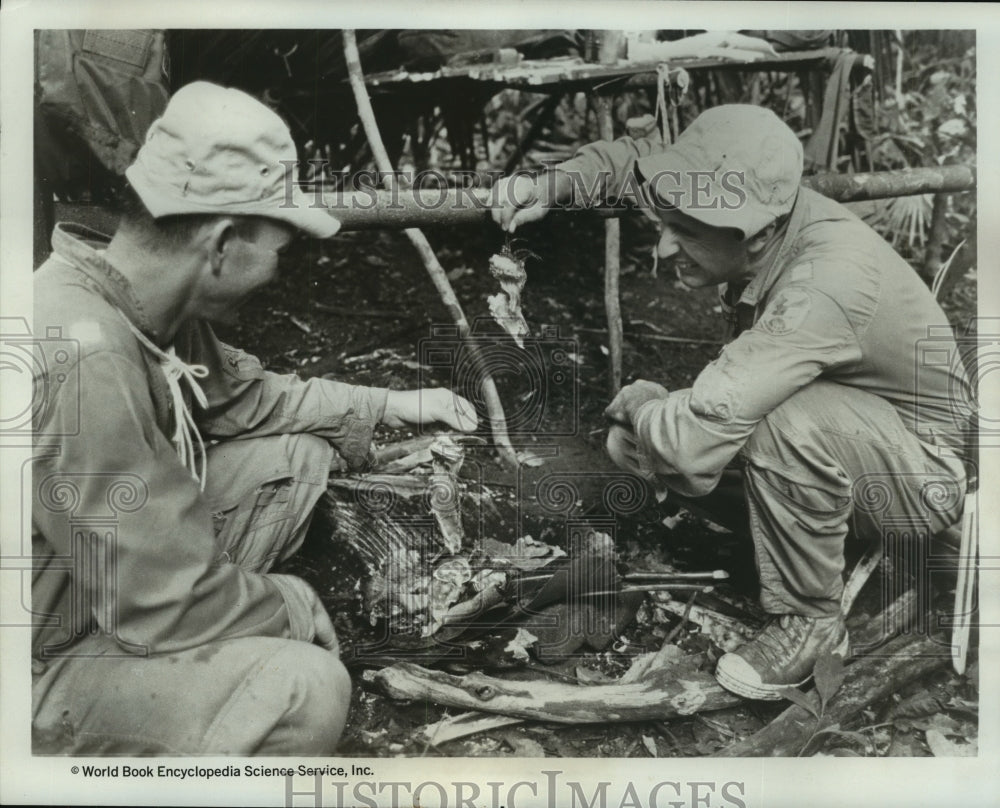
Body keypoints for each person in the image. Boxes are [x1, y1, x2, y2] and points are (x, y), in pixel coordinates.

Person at [31, 81, 477, 754]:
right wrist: (290, 603)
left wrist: (397, 406)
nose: (279, 269)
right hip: (36, 653)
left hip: (95, 579)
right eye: (280, 247)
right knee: (306, 689)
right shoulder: (86, 353)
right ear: (221, 243)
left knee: (295, 458)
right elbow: (159, 602)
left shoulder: (139, 299)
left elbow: (255, 399)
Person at [492, 104, 972, 700]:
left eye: (687, 233)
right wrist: (551, 186)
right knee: (633, 444)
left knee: (768, 423)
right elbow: (632, 166)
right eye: (664, 225)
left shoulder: (823, 283)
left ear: (761, 233)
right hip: (858, 445)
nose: (664, 249)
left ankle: (813, 622)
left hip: (926, 477)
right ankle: (811, 537)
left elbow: (695, 441)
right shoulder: (763, 205)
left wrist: (645, 406)